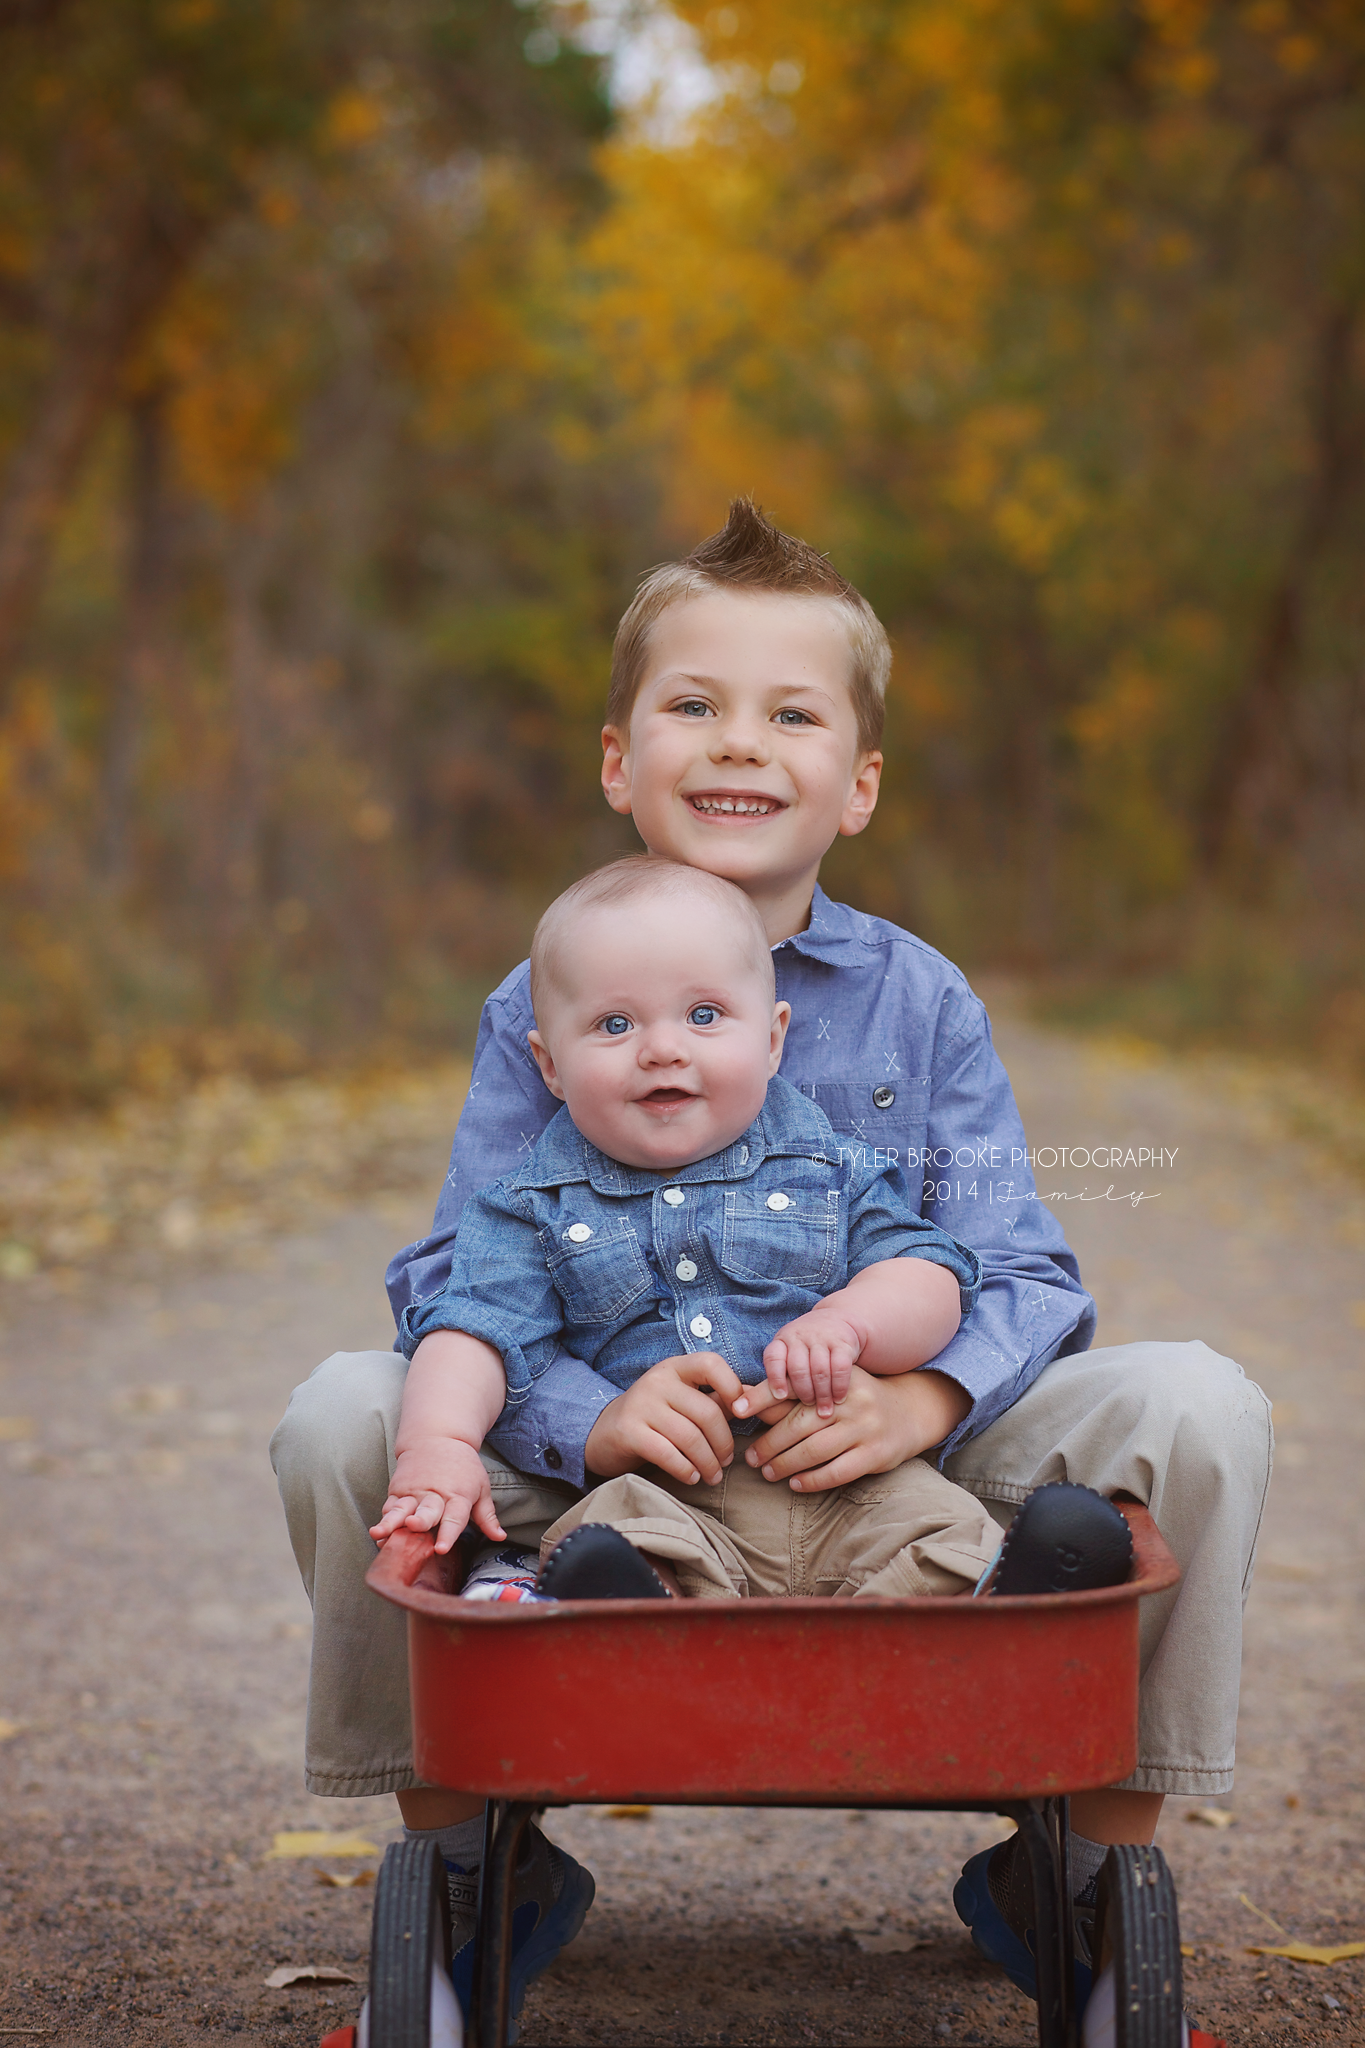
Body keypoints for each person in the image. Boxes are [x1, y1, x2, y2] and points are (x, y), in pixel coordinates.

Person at [270, 499, 1272, 2026]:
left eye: (790, 714)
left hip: (879, 1448)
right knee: (350, 1409)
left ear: (854, 784)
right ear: (620, 761)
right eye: (694, 706)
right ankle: (473, 1852)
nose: (740, 744)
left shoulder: (918, 1002)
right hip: (630, 1469)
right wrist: (581, 1421)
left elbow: (1023, 1267)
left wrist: (924, 1394)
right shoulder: (535, 1004)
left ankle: (1075, 1869)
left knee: (1199, 1405)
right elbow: (454, 1278)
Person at [371, 854, 1006, 1607]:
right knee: (603, 1537)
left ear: (772, 1040)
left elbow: (926, 1273)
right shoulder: (532, 1206)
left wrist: (850, 1323)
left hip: (847, 1481)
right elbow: (473, 1332)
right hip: (664, 1495)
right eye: (614, 1024)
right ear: (548, 1065)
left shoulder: (829, 1168)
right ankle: (635, 1604)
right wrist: (437, 1445)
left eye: (703, 1016)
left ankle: (1012, 1589)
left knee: (951, 1531)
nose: (663, 1048)